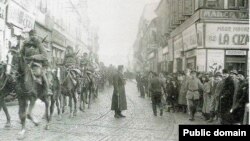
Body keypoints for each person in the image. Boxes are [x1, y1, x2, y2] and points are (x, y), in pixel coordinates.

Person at [20, 29, 50, 95]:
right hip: (26, 64)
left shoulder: (39, 44)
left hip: (36, 64)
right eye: (31, 35)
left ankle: (47, 90)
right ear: (29, 36)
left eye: (34, 35)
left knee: (40, 74)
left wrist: (34, 57)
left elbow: (44, 55)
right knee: (18, 75)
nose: (32, 36)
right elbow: (21, 53)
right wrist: (22, 57)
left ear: (36, 36)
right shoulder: (25, 44)